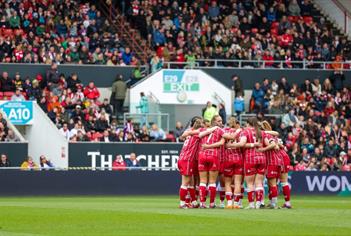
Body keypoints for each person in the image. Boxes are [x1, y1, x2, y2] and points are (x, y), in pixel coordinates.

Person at [198, 115, 225, 208]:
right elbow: (226, 139)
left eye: (221, 121)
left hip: (202, 155)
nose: (221, 122)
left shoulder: (203, 130)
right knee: (212, 181)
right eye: (219, 121)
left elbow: (190, 134)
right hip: (213, 155)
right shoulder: (220, 130)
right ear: (214, 122)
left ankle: (202, 203)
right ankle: (212, 203)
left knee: (202, 181)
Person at [177, 117, 203, 208]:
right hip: (187, 159)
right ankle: (182, 203)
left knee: (191, 182)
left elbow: (183, 134)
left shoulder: (189, 131)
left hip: (182, 158)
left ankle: (194, 202)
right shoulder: (198, 134)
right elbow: (206, 132)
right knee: (185, 182)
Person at [258, 121, 282, 209]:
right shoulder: (270, 135)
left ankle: (274, 204)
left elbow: (275, 146)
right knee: (271, 183)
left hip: (272, 162)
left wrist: (263, 149)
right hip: (276, 161)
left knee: (272, 184)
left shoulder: (267, 136)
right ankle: (272, 202)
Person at [222, 117, 244, 209]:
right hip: (238, 158)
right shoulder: (241, 132)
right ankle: (236, 203)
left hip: (228, 158)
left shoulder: (225, 131)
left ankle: (229, 203)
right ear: (237, 123)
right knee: (237, 182)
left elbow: (222, 143)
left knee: (227, 182)